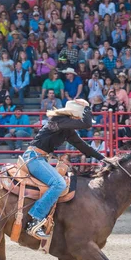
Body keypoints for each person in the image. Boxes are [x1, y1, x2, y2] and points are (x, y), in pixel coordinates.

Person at [24, 100, 106, 238]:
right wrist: (87, 107)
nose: (80, 119)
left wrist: (103, 159)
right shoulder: (59, 120)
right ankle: (35, 219)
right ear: (75, 114)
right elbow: (87, 124)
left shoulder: (66, 129)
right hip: (34, 157)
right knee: (59, 183)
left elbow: (83, 146)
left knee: (60, 182)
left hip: (38, 158)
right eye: (80, 115)